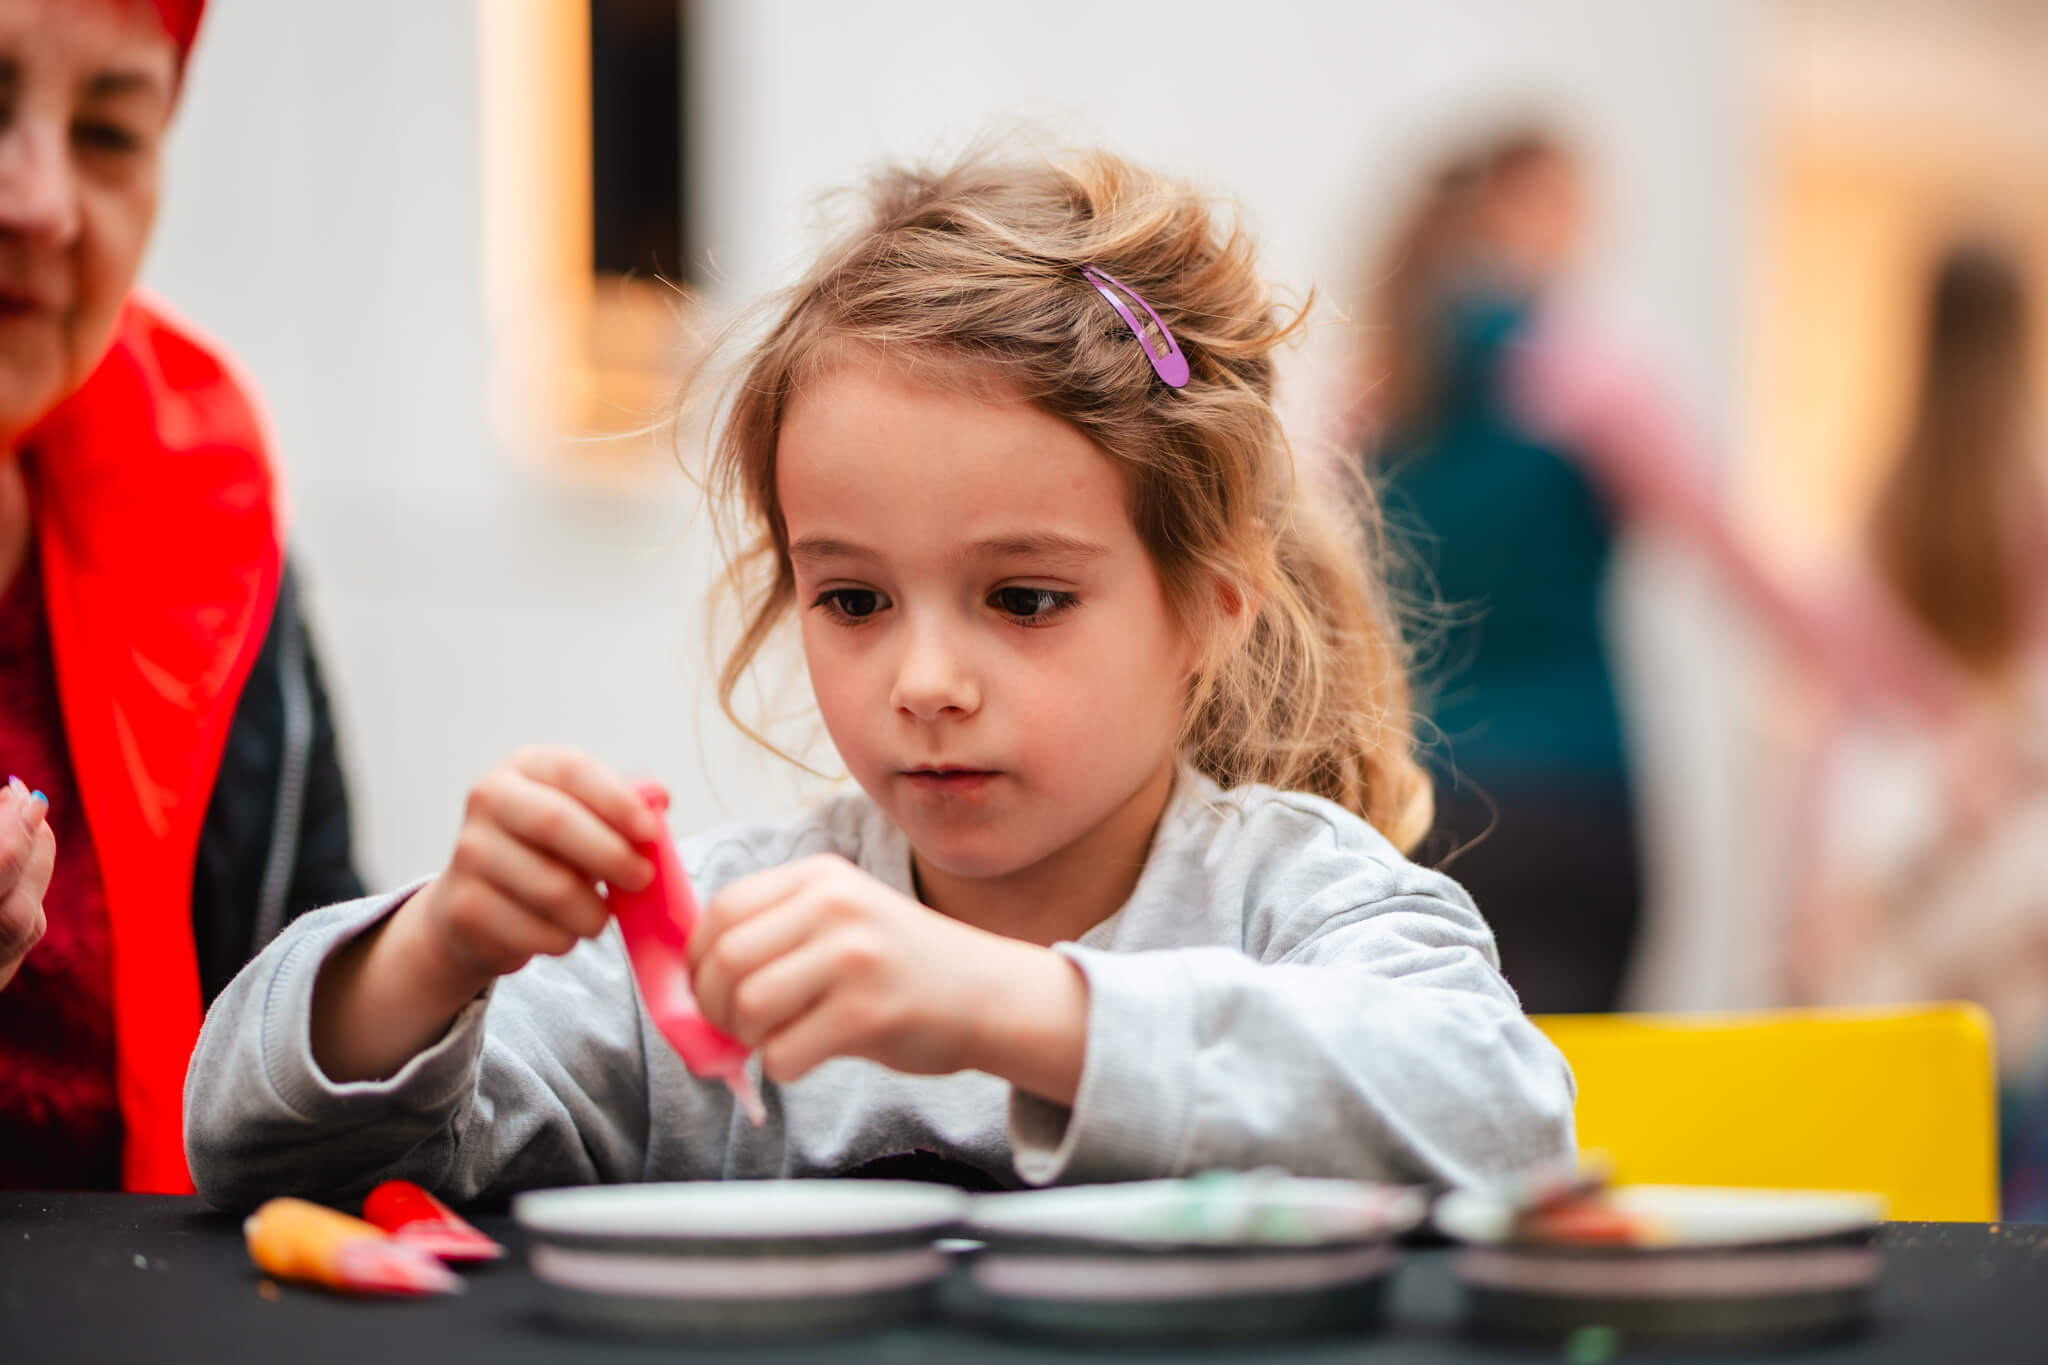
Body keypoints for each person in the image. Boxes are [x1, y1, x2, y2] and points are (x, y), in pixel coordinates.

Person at [182, 147, 1576, 1208]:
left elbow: (1506, 1119)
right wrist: (435, 951)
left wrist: (1006, 1006)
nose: (924, 680)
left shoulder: (1297, 899)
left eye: (1023, 599)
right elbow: (253, 1149)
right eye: (852, 599)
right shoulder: (727, 941)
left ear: (1210, 606)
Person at [1355, 126, 1958, 1013]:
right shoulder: (1587, 377)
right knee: (1581, 1080)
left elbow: (1316, 593)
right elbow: (1750, 568)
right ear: (1505, 210)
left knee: (1433, 1072)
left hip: (1425, 809)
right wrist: (1935, 697)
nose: (1582, 235)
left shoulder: (1373, 389)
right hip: (1577, 806)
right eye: (1565, 207)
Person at [0, 0, 361, 1193]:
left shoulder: (200, 519)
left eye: (109, 134)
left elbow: (310, 1044)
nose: (40, 204)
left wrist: (438, 967)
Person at [1777, 242, 2048, 1217]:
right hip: (2007, 834)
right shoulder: (2028, 495)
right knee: (2008, 1108)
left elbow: (1840, 706)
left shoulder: (1889, 498)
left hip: (1895, 823)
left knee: (1908, 1130)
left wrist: (1809, 888)